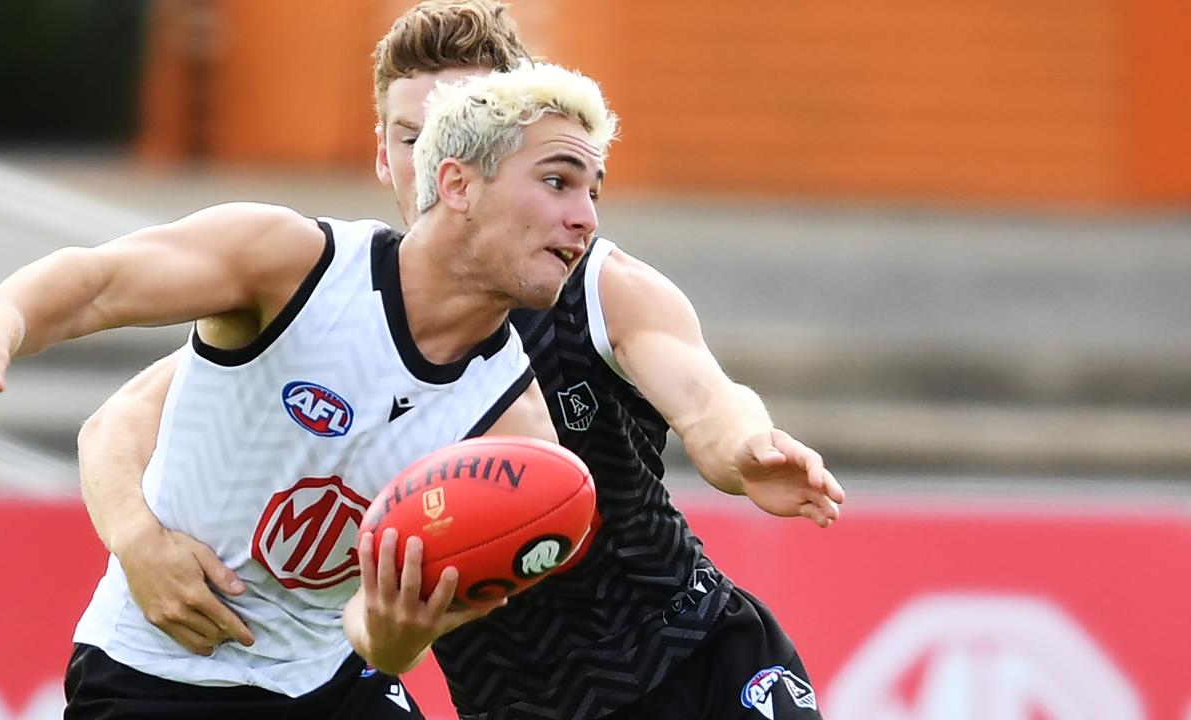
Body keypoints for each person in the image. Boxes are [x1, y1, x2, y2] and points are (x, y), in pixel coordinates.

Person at [74, 2, 846, 719]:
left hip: (692, 665)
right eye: (414, 136)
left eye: (469, 125)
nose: (437, 155)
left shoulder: (602, 288)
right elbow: (120, 423)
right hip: (508, 702)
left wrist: (747, 450)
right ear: (385, 155)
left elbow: (710, 404)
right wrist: (139, 543)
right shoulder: (333, 298)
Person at [0, 59, 618, 719]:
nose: (585, 216)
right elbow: (97, 286)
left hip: (329, 684)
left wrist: (396, 633)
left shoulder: (517, 434)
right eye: (559, 182)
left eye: (594, 190)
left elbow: (374, 634)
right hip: (149, 675)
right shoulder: (291, 265)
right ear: (460, 185)